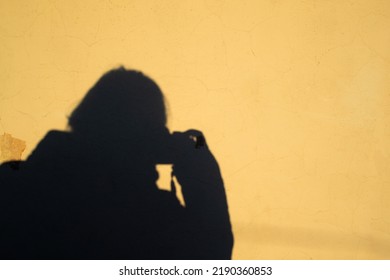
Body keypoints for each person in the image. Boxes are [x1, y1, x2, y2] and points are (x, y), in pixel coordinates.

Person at [0, 67, 233, 259]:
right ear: (154, 140)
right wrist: (201, 171)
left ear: (83, 117)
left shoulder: (14, 184)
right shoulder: (155, 219)